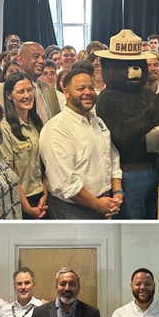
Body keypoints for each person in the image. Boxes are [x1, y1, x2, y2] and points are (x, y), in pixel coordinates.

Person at [40, 69, 123, 219]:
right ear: (66, 92)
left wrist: (117, 194)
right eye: (80, 89)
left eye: (91, 88)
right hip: (73, 210)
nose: (88, 92)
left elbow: (112, 157)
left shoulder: (98, 122)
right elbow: (65, 183)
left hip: (105, 203)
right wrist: (99, 205)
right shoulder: (57, 129)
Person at [0, 72, 47, 219]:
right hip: (21, 200)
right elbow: (9, 174)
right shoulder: (5, 128)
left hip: (43, 197)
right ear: (9, 95)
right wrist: (26, 207)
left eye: (29, 90)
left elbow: (46, 164)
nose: (27, 95)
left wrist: (45, 194)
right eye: (20, 91)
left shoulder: (38, 124)